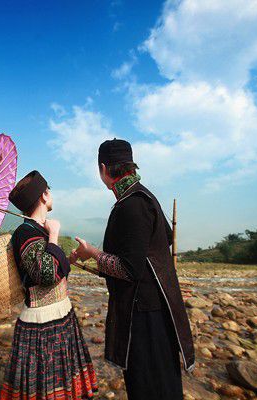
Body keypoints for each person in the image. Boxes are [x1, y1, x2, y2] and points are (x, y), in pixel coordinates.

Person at [70, 139, 195, 400]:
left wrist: (92, 253)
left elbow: (128, 269)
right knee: (162, 384)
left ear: (103, 169)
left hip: (145, 316)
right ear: (130, 165)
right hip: (156, 306)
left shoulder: (131, 205)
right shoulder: (145, 197)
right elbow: (164, 239)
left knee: (149, 387)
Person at [0, 170, 98, 399]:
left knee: (61, 383)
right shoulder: (25, 232)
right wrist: (53, 235)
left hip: (60, 315)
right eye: (49, 190)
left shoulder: (37, 229)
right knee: (45, 388)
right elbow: (47, 274)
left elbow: (52, 268)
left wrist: (69, 260)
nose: (51, 194)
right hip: (42, 324)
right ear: (44, 196)